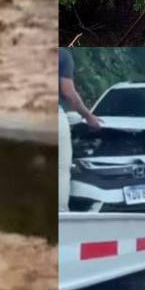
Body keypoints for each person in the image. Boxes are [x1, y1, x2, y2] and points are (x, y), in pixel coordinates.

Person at [59, 47, 101, 212]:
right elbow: (68, 92)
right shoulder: (62, 54)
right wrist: (88, 116)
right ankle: (61, 213)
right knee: (61, 169)